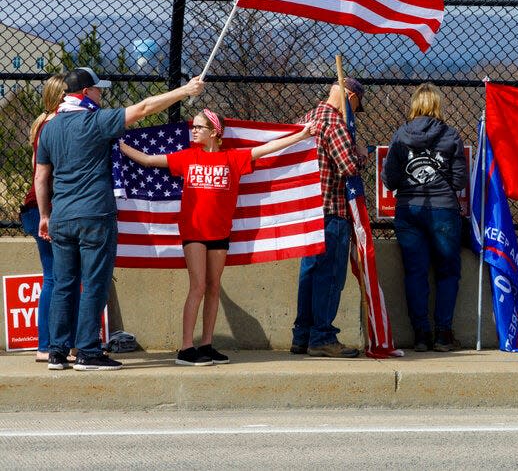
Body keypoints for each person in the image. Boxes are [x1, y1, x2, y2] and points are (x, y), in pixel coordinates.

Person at [35, 67, 204, 371]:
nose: (102, 94)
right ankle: (87, 350)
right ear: (86, 93)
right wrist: (184, 91)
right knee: (95, 283)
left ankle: (57, 352)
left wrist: (45, 214)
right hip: (95, 214)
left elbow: (41, 175)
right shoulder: (96, 120)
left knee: (63, 284)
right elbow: (143, 108)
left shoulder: (50, 127)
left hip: (61, 215)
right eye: (99, 89)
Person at [119, 109, 311, 366]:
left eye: (199, 127)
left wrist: (300, 136)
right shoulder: (188, 156)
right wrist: (119, 144)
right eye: (194, 127)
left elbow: (267, 149)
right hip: (194, 232)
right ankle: (186, 348)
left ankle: (206, 344)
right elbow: (149, 160)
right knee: (197, 286)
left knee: (212, 287)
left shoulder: (232, 158)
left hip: (220, 233)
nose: (194, 131)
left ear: (214, 132)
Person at [382, 83, 467, 352]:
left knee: (415, 273)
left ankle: (420, 335)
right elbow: (459, 180)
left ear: (415, 106)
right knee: (448, 272)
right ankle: (443, 334)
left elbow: (389, 179)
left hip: (408, 210)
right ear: (437, 106)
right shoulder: (451, 136)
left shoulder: (400, 136)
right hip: (443, 210)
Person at [290, 79, 367, 359]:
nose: (354, 112)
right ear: (350, 96)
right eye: (356, 105)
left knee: (308, 273)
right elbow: (347, 168)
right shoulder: (335, 123)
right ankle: (322, 335)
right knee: (330, 275)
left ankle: (302, 334)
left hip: (308, 208)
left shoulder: (307, 118)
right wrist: (360, 155)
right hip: (332, 209)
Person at [19, 75, 67, 362]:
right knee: (55, 277)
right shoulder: (52, 126)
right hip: (44, 207)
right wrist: (46, 213)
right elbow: (44, 176)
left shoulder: (44, 124)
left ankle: (49, 344)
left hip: (41, 206)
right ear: (59, 97)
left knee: (56, 276)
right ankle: (47, 344)